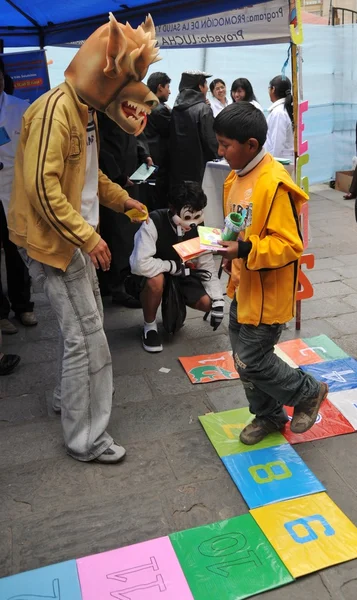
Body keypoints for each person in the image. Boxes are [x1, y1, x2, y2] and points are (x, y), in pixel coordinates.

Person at [7, 13, 161, 464]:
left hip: (72, 235)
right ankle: (86, 438)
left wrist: (122, 201)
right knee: (88, 335)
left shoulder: (83, 109)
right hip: (56, 240)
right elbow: (43, 186)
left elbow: (87, 176)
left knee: (78, 326)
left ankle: (64, 397)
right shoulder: (58, 109)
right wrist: (86, 238)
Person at [213, 102, 327, 445]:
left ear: (250, 144)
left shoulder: (274, 183)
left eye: (225, 144)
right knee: (243, 360)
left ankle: (308, 391)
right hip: (242, 287)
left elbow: (290, 246)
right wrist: (227, 251)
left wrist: (245, 250)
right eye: (218, 142)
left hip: (267, 297)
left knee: (251, 361)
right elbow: (239, 225)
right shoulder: (235, 176)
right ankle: (269, 415)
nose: (220, 151)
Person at [130, 181, 224, 352]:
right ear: (172, 209)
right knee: (155, 281)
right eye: (187, 217)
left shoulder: (198, 227)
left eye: (198, 216)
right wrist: (171, 266)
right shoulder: (153, 222)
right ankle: (149, 327)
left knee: (207, 302)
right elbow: (139, 263)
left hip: (183, 274)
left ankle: (175, 307)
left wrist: (218, 300)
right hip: (155, 274)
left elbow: (207, 264)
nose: (192, 223)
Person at [97, 111, 152, 308]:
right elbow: (99, 147)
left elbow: (135, 133)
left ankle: (126, 280)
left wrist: (144, 153)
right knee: (115, 233)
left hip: (131, 174)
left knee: (130, 230)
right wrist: (117, 176)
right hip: (112, 180)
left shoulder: (124, 104)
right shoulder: (100, 108)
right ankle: (117, 286)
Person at [0, 67, 37, 335]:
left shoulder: (21, 108)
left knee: (17, 253)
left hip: (14, 193)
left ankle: (23, 305)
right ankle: (1, 314)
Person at [169, 70, 218, 185]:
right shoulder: (203, 109)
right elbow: (211, 142)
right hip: (201, 172)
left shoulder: (175, 109)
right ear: (200, 87)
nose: (207, 89)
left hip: (178, 172)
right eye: (205, 85)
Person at [145, 71, 172, 208]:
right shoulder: (160, 109)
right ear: (160, 87)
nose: (170, 92)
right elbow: (170, 131)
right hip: (159, 160)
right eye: (168, 87)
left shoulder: (145, 103)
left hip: (147, 156)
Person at [266, 75, 294, 161]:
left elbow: (277, 144)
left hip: (279, 162)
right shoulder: (284, 109)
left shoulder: (278, 113)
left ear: (273, 89)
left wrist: (271, 163)